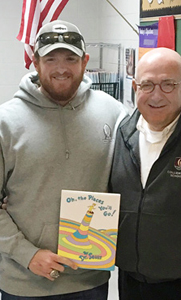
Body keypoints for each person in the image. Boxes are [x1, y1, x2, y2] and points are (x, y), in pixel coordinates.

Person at [0, 20, 127, 299]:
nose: (61, 68)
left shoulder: (114, 113)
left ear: (85, 62)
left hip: (90, 280)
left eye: (71, 58)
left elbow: (153, 143)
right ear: (35, 62)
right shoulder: (5, 123)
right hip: (24, 281)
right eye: (51, 58)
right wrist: (26, 254)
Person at [109, 47, 181, 300]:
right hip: (132, 283)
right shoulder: (122, 134)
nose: (156, 95)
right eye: (147, 85)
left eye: (168, 84)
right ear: (134, 87)